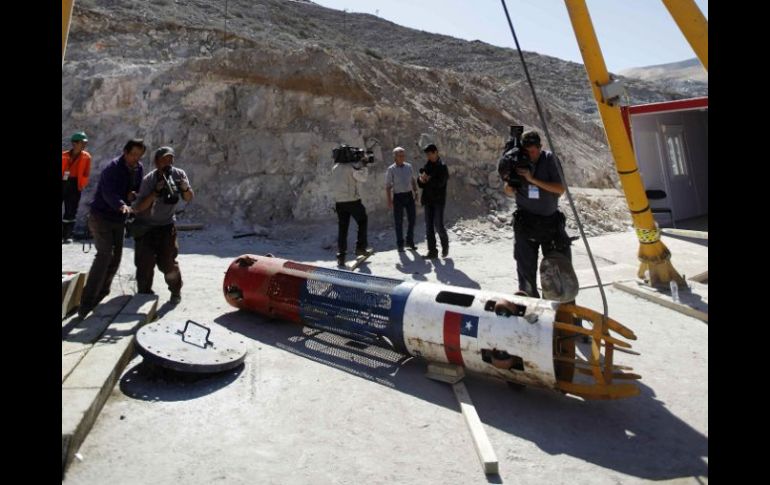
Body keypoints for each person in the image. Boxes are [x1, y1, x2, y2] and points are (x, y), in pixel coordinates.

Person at [78, 139, 146, 318]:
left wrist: (133, 196)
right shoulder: (112, 168)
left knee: (116, 258)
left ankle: (101, 294)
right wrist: (121, 204)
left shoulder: (138, 169)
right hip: (101, 217)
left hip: (118, 219)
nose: (135, 158)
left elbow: (137, 189)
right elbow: (108, 192)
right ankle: (86, 302)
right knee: (104, 255)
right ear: (125, 152)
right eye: (133, 154)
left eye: (139, 155)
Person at [502, 130, 572, 299]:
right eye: (527, 151)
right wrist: (510, 187)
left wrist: (532, 179)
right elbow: (508, 190)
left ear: (540, 148)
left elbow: (560, 189)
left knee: (558, 273)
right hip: (526, 223)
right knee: (525, 272)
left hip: (550, 223)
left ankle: (559, 312)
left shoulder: (550, 160)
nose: (530, 155)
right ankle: (530, 310)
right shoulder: (517, 160)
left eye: (534, 151)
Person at [131, 146, 194, 304]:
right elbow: (138, 207)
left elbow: (188, 197)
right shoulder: (149, 180)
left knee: (168, 263)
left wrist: (185, 188)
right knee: (144, 264)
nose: (168, 163)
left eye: (170, 159)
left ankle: (175, 292)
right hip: (146, 228)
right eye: (164, 160)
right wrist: (155, 192)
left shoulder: (178, 174)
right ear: (156, 162)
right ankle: (144, 294)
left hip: (166, 227)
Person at [331, 151, 372, 267]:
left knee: (342, 229)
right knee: (362, 220)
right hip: (352, 201)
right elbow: (363, 178)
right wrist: (364, 165)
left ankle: (341, 256)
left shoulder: (334, 168)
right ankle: (360, 247)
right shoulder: (350, 167)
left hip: (339, 202)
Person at [417, 144, 449, 259]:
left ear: (436, 152)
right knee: (429, 227)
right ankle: (432, 251)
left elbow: (440, 184)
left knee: (438, 225)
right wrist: (421, 179)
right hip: (428, 200)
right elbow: (421, 184)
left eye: (430, 154)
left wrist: (428, 179)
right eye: (427, 155)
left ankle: (445, 246)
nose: (428, 156)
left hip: (438, 201)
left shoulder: (442, 167)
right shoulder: (427, 165)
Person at [385, 147, 419, 252]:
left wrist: (416, 192)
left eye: (403, 155)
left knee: (412, 219)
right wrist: (389, 200)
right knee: (398, 221)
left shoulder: (409, 167)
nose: (402, 157)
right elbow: (388, 186)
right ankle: (400, 244)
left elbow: (413, 180)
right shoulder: (391, 169)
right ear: (395, 157)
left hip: (409, 195)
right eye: (400, 155)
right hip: (398, 197)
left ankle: (410, 241)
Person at [62, 131, 92, 243]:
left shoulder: (86, 157)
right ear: (74, 143)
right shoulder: (64, 155)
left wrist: (81, 184)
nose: (84, 145)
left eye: (85, 142)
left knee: (71, 210)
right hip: (63, 182)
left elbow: (86, 172)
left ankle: (66, 235)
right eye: (82, 142)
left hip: (75, 184)